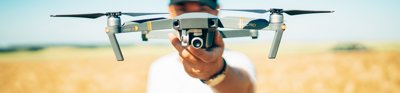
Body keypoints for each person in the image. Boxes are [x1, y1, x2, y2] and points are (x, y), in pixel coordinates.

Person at [147, 0, 256, 93]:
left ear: (216, 11)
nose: (193, 21)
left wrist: (217, 70)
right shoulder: (159, 68)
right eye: (183, 11)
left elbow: (243, 88)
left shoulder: (238, 59)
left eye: (202, 11)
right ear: (170, 11)